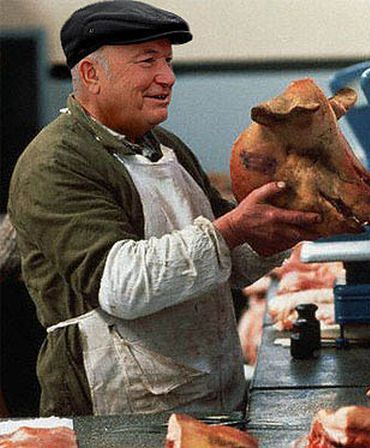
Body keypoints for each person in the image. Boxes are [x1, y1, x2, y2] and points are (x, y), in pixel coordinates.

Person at [8, 0, 322, 417]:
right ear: (90, 74)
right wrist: (233, 228)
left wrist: (289, 221)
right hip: (121, 413)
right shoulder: (56, 161)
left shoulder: (166, 146)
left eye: (168, 61)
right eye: (148, 61)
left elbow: (234, 262)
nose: (168, 77)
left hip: (212, 393)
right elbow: (120, 285)